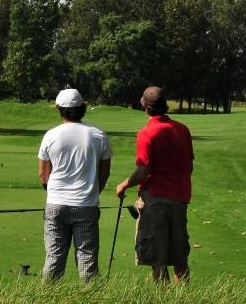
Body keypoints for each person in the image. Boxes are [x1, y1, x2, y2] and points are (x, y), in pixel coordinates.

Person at [115, 85, 194, 283]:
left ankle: (162, 303)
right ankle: (184, 301)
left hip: (156, 200)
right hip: (179, 200)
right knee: (179, 258)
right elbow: (189, 166)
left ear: (144, 106)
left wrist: (124, 185)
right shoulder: (182, 129)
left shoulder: (146, 133)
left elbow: (143, 172)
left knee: (157, 258)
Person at [37, 87, 113, 281]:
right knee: (87, 260)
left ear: (59, 108)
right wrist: (92, 192)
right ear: (82, 108)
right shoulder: (99, 135)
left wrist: (53, 192)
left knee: (54, 259)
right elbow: (103, 175)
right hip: (86, 206)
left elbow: (43, 175)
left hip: (56, 206)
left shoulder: (50, 135)